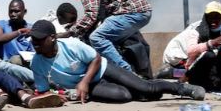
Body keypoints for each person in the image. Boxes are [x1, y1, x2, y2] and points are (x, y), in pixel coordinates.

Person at [30, 20, 204, 104]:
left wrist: (83, 81)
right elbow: (44, 92)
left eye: (39, 40)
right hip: (91, 86)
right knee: (124, 97)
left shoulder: (71, 45)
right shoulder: (37, 63)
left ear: (52, 38)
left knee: (145, 87)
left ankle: (183, 89)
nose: (35, 44)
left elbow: (96, 58)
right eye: (33, 40)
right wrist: (55, 98)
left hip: (102, 69)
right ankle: (140, 92)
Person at [64, 0, 152, 71]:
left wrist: (70, 32)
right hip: (141, 13)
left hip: (134, 13)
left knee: (97, 37)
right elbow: (97, 15)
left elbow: (91, 15)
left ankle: (125, 71)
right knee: (108, 40)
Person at [182, 1, 221, 91]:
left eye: (217, 18)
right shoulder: (196, 32)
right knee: (209, 55)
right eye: (210, 18)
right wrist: (212, 43)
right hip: (197, 77)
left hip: (217, 78)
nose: (213, 21)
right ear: (206, 18)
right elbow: (190, 51)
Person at [0, 0, 33, 64]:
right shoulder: (1, 24)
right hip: (6, 65)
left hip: (26, 65)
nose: (13, 14)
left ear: (24, 11)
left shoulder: (31, 28)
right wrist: (19, 32)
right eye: (10, 11)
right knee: (15, 60)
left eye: (16, 11)